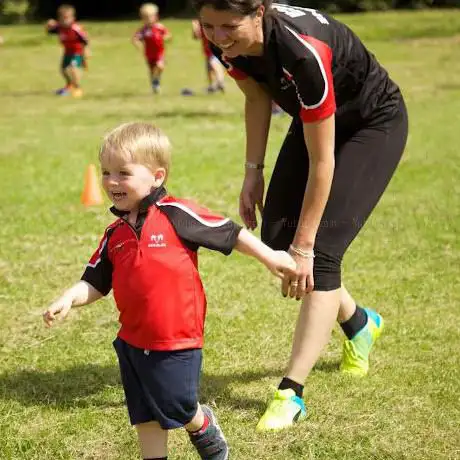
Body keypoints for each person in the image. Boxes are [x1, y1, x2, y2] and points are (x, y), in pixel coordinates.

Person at [192, 0, 409, 431]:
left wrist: (307, 245)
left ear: (259, 11)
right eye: (208, 26)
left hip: (370, 122)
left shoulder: (301, 51)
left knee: (318, 254)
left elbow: (322, 162)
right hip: (316, 119)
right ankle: (360, 323)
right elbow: (256, 96)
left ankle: (292, 392)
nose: (217, 37)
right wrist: (253, 172)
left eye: (228, 26)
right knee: (277, 241)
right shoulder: (227, 41)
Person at [43, 122, 296, 459]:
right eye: (105, 172)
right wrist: (69, 298)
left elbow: (229, 232)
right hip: (132, 340)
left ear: (157, 176)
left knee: (176, 402)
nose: (111, 182)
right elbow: (95, 281)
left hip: (177, 337)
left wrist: (269, 256)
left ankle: (201, 425)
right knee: (145, 415)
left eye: (123, 172)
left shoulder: (176, 214)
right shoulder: (114, 233)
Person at [45, 4, 89, 98]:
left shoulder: (75, 28)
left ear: (72, 18)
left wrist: (86, 51)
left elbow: (85, 39)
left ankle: (77, 88)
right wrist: (48, 25)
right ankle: (69, 86)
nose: (64, 21)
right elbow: (49, 31)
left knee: (73, 69)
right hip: (67, 52)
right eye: (62, 18)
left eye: (67, 18)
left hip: (77, 52)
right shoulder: (59, 27)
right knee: (63, 70)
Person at [132, 3, 171, 94]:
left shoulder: (159, 27)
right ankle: (155, 84)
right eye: (146, 17)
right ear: (142, 18)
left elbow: (168, 35)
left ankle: (155, 81)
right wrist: (137, 43)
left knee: (160, 66)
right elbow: (136, 38)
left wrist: (166, 38)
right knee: (152, 70)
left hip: (159, 53)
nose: (149, 20)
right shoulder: (143, 30)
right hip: (149, 54)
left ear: (156, 17)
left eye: (150, 17)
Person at [192, 19, 225, 93]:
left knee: (214, 64)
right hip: (208, 50)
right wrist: (195, 27)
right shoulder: (201, 23)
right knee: (209, 67)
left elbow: (197, 36)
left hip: (214, 48)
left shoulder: (210, 21)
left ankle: (220, 83)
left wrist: (195, 27)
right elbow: (196, 36)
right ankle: (212, 86)